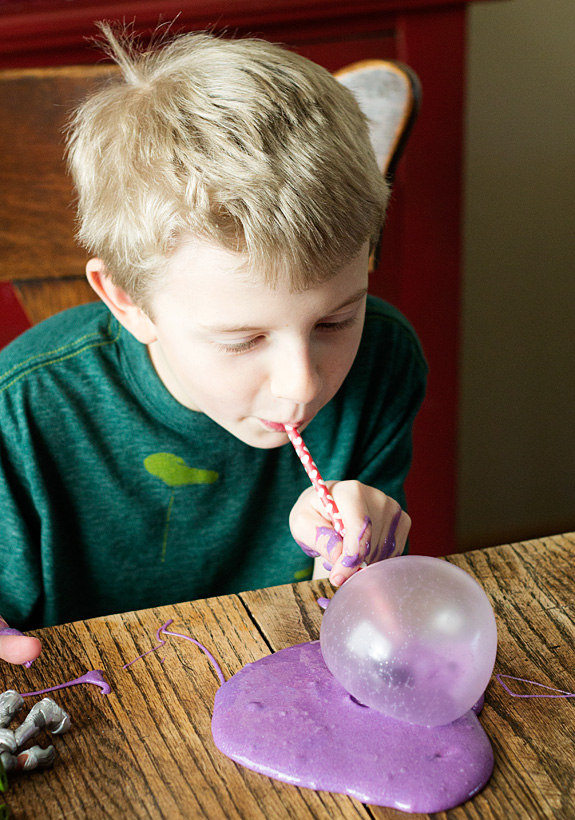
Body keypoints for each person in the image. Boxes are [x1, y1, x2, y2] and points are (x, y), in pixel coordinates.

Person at [0, 24, 427, 665]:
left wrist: (362, 566)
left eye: (335, 321)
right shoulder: (22, 414)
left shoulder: (385, 363)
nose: (301, 384)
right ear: (127, 300)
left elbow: (345, 628)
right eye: (243, 338)